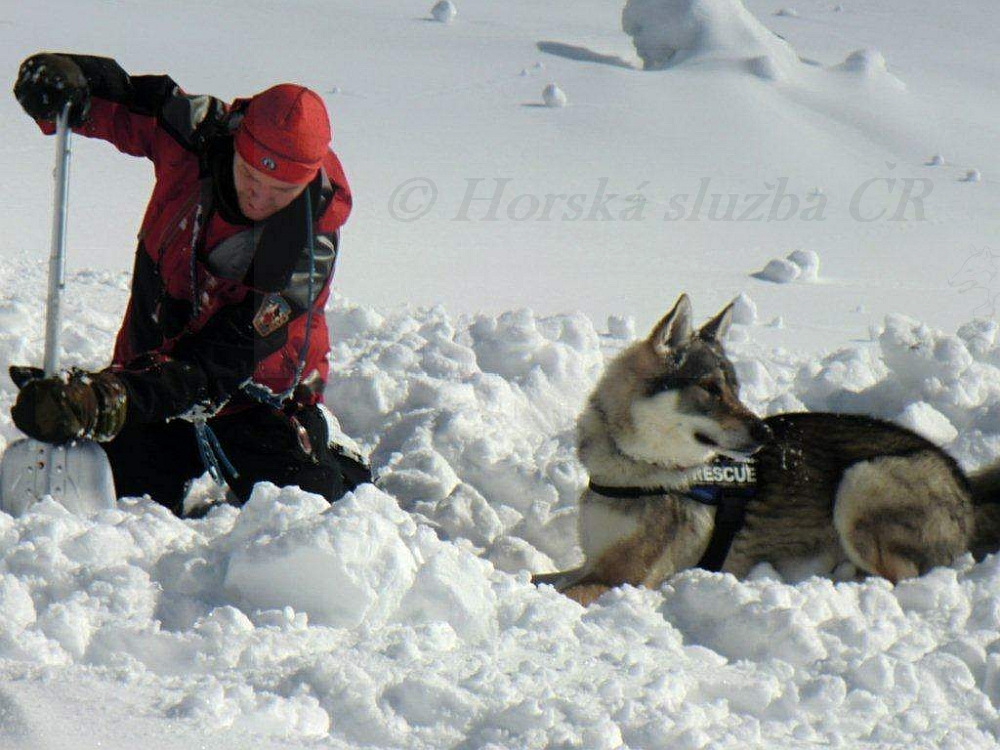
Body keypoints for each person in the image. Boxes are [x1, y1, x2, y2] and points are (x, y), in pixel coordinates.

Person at [10, 52, 370, 516]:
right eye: (249, 176)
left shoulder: (305, 242)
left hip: (252, 400)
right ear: (237, 142)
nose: (259, 197)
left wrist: (107, 397)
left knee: (305, 510)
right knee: (121, 494)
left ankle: (330, 450)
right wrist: (66, 85)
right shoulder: (203, 134)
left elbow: (219, 360)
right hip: (150, 374)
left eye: (279, 192)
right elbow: (130, 102)